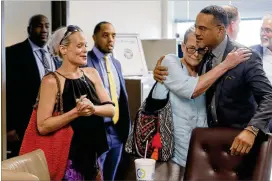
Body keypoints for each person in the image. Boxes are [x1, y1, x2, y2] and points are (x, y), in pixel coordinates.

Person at [154, 5, 272, 158]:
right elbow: (187, 72)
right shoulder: (202, 53)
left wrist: (251, 130)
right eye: (196, 27)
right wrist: (161, 67)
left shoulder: (245, 57)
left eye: (202, 29)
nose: (196, 33)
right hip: (209, 143)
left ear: (220, 30)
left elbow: (269, 96)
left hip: (241, 142)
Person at [152, 26, 250, 181]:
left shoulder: (207, 71)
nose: (196, 54)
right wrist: (226, 64)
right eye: (191, 48)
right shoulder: (171, 61)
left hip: (199, 155)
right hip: (169, 155)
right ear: (182, 47)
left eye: (201, 50)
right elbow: (191, 89)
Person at [38, 25, 115, 180]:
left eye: (85, 45)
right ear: (63, 49)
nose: (85, 50)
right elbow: (42, 126)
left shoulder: (92, 73)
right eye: (79, 46)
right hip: (68, 159)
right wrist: (75, 112)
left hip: (94, 156)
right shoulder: (51, 81)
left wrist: (93, 109)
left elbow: (111, 109)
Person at [6, 14, 61, 158]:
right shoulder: (13, 53)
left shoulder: (54, 54)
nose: (44, 30)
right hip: (23, 125)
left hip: (52, 122)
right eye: (39, 25)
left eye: (47, 26)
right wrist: (9, 127)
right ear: (29, 29)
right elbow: (8, 91)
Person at [87, 21, 131, 181]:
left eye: (113, 36)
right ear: (94, 37)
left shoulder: (116, 64)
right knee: (96, 177)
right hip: (97, 131)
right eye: (105, 35)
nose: (110, 39)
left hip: (117, 131)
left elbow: (121, 98)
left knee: (112, 176)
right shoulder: (85, 62)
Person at [251, 14, 272, 132]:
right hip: (259, 117)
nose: (263, 34)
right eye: (262, 30)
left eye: (268, 30)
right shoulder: (251, 52)